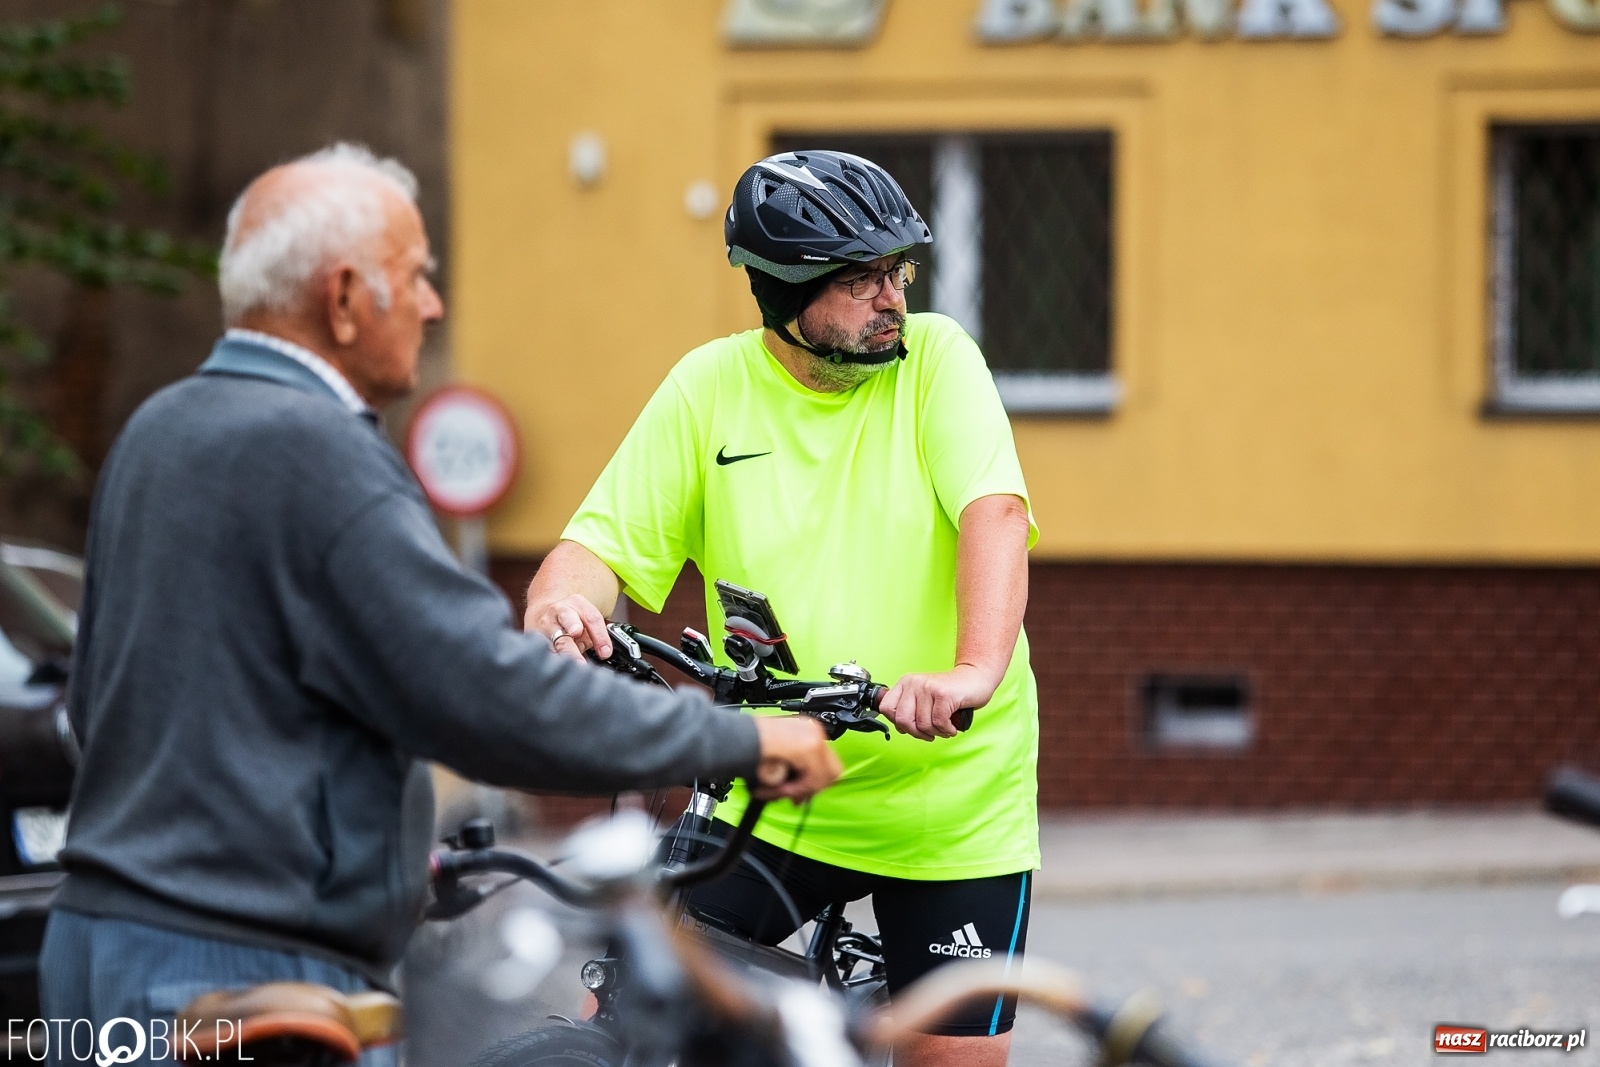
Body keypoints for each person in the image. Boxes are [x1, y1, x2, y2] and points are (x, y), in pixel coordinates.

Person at [40, 144, 841, 1066]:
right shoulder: (318, 454)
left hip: (98, 947)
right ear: (343, 297)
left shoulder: (159, 430)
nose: (433, 303)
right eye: (414, 276)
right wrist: (741, 739)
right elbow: (483, 693)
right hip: (241, 977)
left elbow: (98, 708)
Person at [525, 149, 1038, 1067]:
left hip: (948, 807)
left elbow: (993, 514)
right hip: (768, 787)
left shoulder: (937, 362)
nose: (894, 299)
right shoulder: (708, 388)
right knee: (629, 1009)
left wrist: (973, 672)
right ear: (785, 293)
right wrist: (563, 611)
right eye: (862, 280)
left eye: (897, 271)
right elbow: (594, 551)